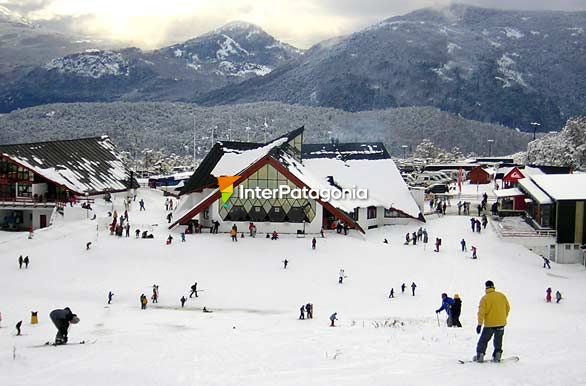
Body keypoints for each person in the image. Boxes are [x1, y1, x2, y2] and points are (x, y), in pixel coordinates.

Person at [474, 280, 510, 363]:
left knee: (483, 341)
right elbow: (507, 308)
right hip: (501, 323)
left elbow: (481, 313)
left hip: (489, 325)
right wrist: (503, 317)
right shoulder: (502, 296)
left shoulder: (485, 298)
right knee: (498, 340)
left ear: (486, 287)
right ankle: (497, 355)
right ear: (493, 286)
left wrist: (479, 324)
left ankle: (480, 355)